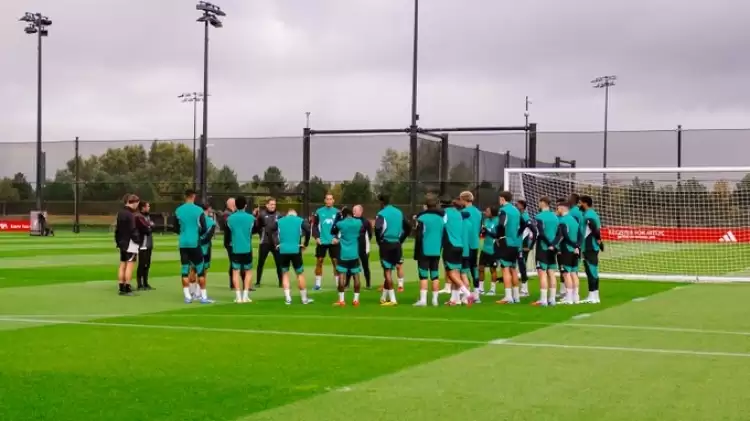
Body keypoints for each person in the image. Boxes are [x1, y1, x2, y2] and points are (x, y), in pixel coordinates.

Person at [174, 189, 211, 304]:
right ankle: (203, 297)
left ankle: (187, 296)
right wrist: (197, 234)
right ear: (193, 196)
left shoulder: (178, 210)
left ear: (185, 196)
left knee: (185, 269)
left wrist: (183, 233)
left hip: (183, 243)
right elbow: (204, 228)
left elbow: (175, 227)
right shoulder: (198, 210)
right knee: (200, 270)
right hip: (194, 242)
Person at [375, 194, 411, 306]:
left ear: (382, 202)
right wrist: (401, 239)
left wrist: (379, 241)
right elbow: (408, 227)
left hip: (386, 243)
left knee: (387, 271)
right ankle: (383, 297)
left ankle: (393, 299)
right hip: (397, 244)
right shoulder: (399, 212)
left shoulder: (381, 214)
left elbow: (378, 229)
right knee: (391, 269)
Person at [490, 191, 522, 304]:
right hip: (516, 242)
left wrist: (497, 236)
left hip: (506, 241)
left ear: (502, 199)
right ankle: (516, 296)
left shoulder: (503, 210)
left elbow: (501, 224)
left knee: (505, 269)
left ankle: (508, 297)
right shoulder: (516, 210)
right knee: (513, 269)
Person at [276, 209, 313, 305]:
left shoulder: (280, 221)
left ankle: (288, 299)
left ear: (287, 214)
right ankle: (304, 299)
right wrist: (305, 243)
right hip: (296, 249)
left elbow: (270, 231)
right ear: (295, 214)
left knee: (285, 273)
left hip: (283, 250)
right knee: (299, 274)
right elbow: (308, 230)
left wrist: (277, 243)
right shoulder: (300, 220)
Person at [442, 197, 475, 306]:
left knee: (451, 274)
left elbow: (442, 224)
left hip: (450, 245)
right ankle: (454, 299)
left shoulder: (446, 213)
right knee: (456, 272)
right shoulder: (460, 215)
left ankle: (467, 294)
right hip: (460, 246)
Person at [413, 195, 445, 307]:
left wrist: (416, 253)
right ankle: (435, 300)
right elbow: (443, 235)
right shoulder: (441, 219)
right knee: (435, 275)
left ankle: (423, 300)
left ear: (426, 206)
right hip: (436, 250)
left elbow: (418, 236)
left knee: (423, 275)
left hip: (424, 249)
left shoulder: (422, 218)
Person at [331, 207, 365, 306]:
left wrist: (337, 217)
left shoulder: (340, 223)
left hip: (343, 253)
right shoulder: (358, 222)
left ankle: (341, 300)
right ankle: (356, 300)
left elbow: (333, 231)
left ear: (343, 215)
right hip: (354, 253)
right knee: (356, 276)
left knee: (342, 275)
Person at [226, 196, 257, 303]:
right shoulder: (251, 218)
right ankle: (245, 296)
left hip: (235, 248)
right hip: (247, 248)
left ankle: (238, 297)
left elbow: (228, 232)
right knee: (248, 271)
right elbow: (254, 230)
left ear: (235, 205)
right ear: (245, 205)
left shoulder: (230, 218)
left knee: (235, 272)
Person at [532, 196, 559, 306]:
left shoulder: (539, 216)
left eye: (539, 202)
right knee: (551, 273)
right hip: (553, 248)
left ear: (543, 203)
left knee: (542, 273)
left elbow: (541, 233)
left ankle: (543, 299)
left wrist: (548, 244)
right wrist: (553, 245)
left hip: (543, 247)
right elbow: (558, 234)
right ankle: (552, 299)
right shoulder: (555, 217)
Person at [312, 194, 341, 290]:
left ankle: (338, 285)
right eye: (327, 199)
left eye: (330, 199)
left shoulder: (338, 212)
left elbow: (341, 227)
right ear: (325, 200)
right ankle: (317, 284)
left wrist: (337, 238)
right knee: (319, 262)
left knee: (335, 262)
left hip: (333, 242)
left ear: (333, 200)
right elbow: (314, 226)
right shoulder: (319, 212)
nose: (329, 201)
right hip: (322, 241)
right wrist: (317, 237)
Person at [114, 194, 141, 296]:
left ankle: (121, 286)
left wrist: (118, 242)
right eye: (137, 203)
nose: (137, 205)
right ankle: (127, 287)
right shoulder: (130, 215)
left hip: (122, 242)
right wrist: (138, 240)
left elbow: (117, 229)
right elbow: (132, 229)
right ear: (133, 203)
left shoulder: (120, 213)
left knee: (122, 264)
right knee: (130, 265)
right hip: (130, 243)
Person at [556, 198, 581, 304]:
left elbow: (564, 236)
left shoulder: (563, 221)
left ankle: (569, 298)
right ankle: (576, 297)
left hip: (566, 249)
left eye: (558, 208)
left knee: (566, 274)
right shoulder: (574, 220)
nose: (557, 210)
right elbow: (580, 234)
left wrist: (554, 245)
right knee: (574, 273)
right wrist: (577, 246)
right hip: (575, 249)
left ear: (562, 208)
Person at [579, 195, 603, 304]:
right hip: (590, 246)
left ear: (585, 203)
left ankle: (594, 296)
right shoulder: (592, 213)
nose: (579, 205)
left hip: (590, 246)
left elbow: (593, 227)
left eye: (580, 203)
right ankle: (593, 295)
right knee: (591, 271)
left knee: (591, 270)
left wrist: (598, 240)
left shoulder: (589, 215)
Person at [256, 198, 283, 288]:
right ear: (267, 205)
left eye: (274, 204)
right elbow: (257, 227)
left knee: (279, 263)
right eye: (271, 204)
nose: (273, 206)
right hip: (265, 242)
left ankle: (281, 282)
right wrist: (262, 234)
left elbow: (281, 228)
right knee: (261, 262)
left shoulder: (279, 215)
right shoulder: (261, 215)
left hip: (276, 243)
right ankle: (258, 282)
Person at [191, 203, 216, 300]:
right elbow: (208, 237)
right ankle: (198, 293)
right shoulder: (211, 222)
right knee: (203, 271)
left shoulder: (194, 220)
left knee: (193, 269)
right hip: (205, 249)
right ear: (208, 209)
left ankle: (192, 293)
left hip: (193, 247)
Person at [460, 191, 483, 292]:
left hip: (465, 243)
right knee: (474, 267)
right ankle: (476, 292)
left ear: (463, 199)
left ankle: (466, 293)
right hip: (475, 243)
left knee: (464, 269)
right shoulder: (478, 212)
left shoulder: (463, 212)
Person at [479, 206, 499, 296]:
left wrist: (487, 231)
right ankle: (481, 289)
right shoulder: (486, 221)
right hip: (484, 248)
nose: (485, 212)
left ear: (492, 212)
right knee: (480, 268)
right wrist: (482, 232)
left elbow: (497, 235)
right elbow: (483, 234)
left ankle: (492, 290)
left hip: (493, 249)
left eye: (487, 211)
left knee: (492, 269)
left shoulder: (498, 221)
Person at [352, 205, 373, 289]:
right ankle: (348, 284)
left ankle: (368, 284)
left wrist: (366, 246)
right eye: (353, 210)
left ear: (361, 211)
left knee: (365, 266)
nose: (353, 211)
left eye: (355, 210)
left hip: (363, 248)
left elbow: (370, 234)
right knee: (352, 266)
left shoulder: (366, 222)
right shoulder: (350, 220)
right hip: (353, 247)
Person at [135, 201, 154, 291]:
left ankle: (146, 283)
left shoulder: (147, 216)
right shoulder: (139, 217)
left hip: (149, 243)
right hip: (143, 243)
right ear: (143, 207)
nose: (149, 208)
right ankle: (139, 284)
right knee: (142, 264)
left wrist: (149, 226)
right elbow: (146, 229)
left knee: (147, 264)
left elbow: (152, 226)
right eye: (148, 206)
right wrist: (149, 226)